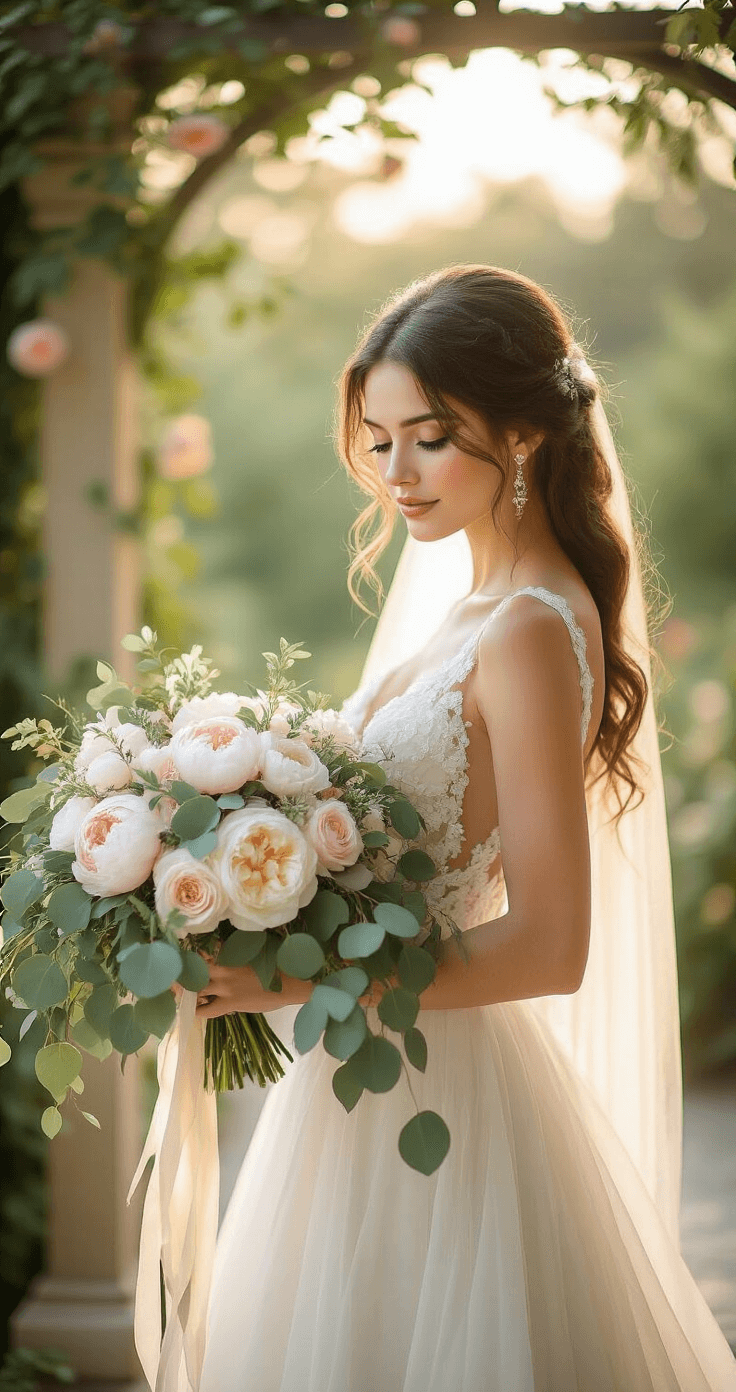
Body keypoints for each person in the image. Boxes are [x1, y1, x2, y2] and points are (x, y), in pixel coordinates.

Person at [138, 265, 736, 1391]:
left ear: (520, 433)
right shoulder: (474, 607)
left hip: (442, 1098)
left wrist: (291, 981)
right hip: (363, 1077)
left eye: (429, 437)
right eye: (377, 439)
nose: (394, 473)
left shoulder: (522, 630)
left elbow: (551, 947)